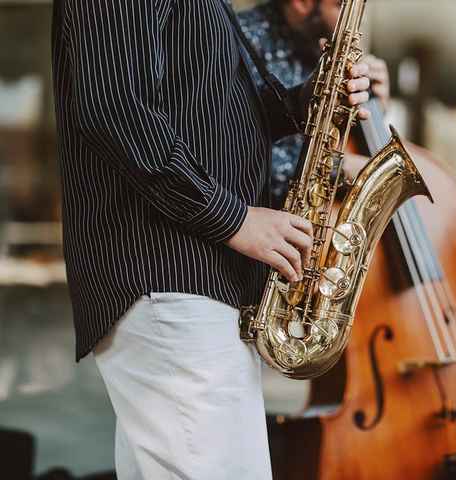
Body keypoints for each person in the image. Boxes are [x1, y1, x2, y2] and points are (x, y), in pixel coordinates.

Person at [51, 1, 371, 479]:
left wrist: (309, 102)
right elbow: (116, 107)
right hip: (166, 272)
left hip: (193, 279)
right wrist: (237, 221)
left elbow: (202, 108)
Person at [237, 0, 391, 208]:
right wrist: (339, 169)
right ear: (303, 3)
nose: (360, 19)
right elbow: (238, 156)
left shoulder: (322, 39)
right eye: (341, 5)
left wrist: (373, 110)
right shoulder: (242, 40)